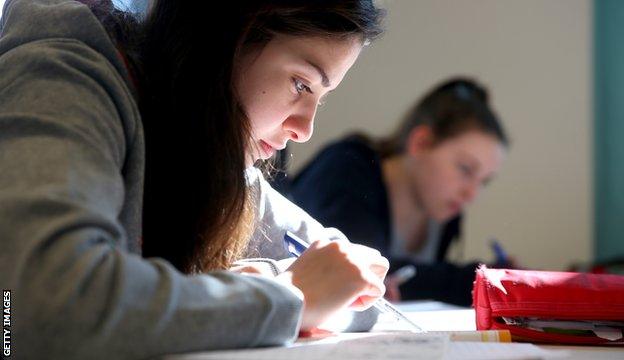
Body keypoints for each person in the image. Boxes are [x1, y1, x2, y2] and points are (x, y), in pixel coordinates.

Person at [0, 0, 389, 358]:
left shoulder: (204, 156)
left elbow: (350, 283)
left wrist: (275, 286)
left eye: (320, 98)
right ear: (228, 39)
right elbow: (35, 308)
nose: (305, 129)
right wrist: (289, 295)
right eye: (301, 84)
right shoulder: (64, 84)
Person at [289, 77, 510, 306]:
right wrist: (490, 280)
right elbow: (352, 270)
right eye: (465, 169)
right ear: (421, 142)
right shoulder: (345, 168)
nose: (471, 194)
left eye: (484, 182)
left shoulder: (442, 208)